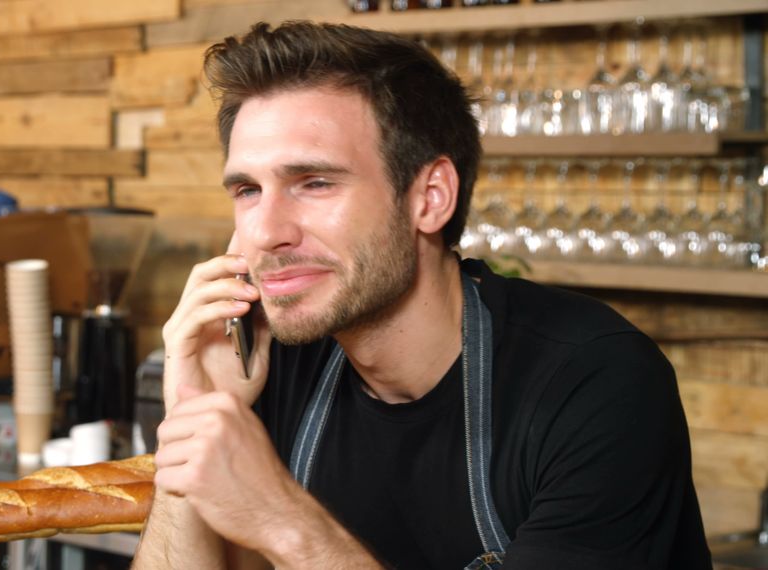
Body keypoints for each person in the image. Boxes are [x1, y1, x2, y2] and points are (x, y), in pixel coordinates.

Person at [132, 21, 711, 570]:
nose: (263, 231)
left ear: (430, 197)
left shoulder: (594, 381)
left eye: (314, 183)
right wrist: (199, 412)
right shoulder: (268, 359)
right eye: (247, 190)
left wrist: (286, 525)